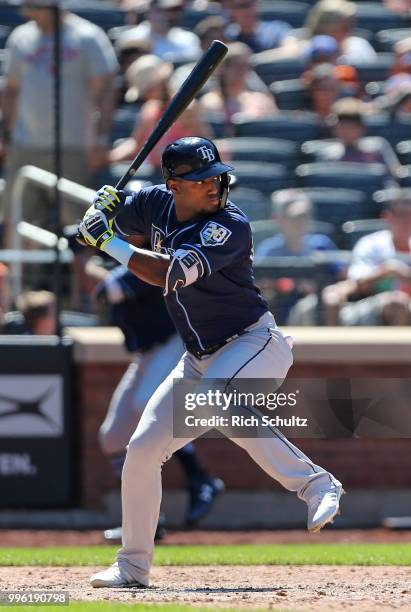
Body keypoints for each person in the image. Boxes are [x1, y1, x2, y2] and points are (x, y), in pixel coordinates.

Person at [78, 136, 343, 588]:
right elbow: (113, 219)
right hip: (198, 357)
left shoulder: (229, 226)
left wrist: (105, 239)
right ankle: (133, 565)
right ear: (176, 184)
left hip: (254, 344)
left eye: (215, 176)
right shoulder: (155, 203)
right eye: (200, 180)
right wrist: (102, 206)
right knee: (142, 450)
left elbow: (167, 274)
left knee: (214, 400)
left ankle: (316, 485)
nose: (214, 185)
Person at [91, 262, 224, 536]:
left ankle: (199, 477)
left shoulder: (149, 255)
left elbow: (103, 289)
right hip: (145, 354)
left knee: (146, 403)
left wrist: (82, 258)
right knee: (113, 438)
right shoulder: (120, 259)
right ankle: (147, 521)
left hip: (173, 343)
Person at [0, 0, 118, 243]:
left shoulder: (87, 36)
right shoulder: (21, 37)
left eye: (34, 6)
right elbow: (11, 90)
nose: (28, 11)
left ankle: (81, 281)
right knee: (18, 219)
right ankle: (19, 281)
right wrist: (6, 136)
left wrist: (101, 137)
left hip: (73, 146)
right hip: (26, 145)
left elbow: (105, 90)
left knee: (79, 224)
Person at [327, 192, 411, 326]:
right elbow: (356, 284)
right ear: (388, 217)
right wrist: (388, 270)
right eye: (401, 215)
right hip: (372, 305)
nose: (407, 221)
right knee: (398, 303)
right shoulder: (371, 244)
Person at [255, 189, 343, 325]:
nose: (301, 222)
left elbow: (343, 277)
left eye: (304, 216)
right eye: (295, 217)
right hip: (279, 317)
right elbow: (257, 287)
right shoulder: (269, 250)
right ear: (278, 219)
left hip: (319, 309)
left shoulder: (321, 244)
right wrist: (291, 285)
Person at [109, 54, 210, 171]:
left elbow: (204, 143)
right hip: (157, 176)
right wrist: (110, 158)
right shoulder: (149, 109)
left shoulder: (185, 108)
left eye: (147, 90)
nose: (145, 95)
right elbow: (136, 144)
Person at [200, 42, 278, 132]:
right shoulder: (209, 102)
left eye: (246, 65)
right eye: (237, 65)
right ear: (222, 68)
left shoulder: (261, 100)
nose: (242, 70)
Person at [117, 0, 201, 63]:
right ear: (150, 10)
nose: (171, 15)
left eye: (175, 10)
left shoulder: (190, 39)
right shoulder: (130, 38)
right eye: (165, 10)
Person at [223, 0, 291, 54]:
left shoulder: (277, 29)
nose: (247, 11)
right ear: (231, 11)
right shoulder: (227, 35)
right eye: (241, 6)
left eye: (250, 5)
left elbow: (291, 49)